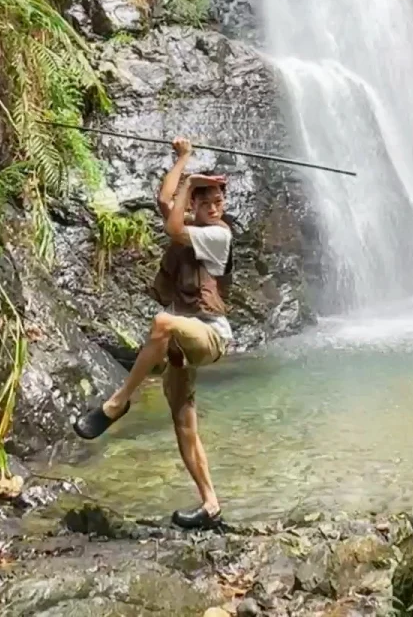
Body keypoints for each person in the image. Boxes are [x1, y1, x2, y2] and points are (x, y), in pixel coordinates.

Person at [74, 136, 232, 531]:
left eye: (218, 203)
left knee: (161, 322)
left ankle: (117, 404)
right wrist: (183, 161)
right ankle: (210, 504)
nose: (214, 209)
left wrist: (192, 181)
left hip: (210, 336)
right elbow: (167, 201)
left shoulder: (218, 236)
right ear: (195, 204)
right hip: (181, 344)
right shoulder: (193, 221)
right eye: (206, 202)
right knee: (183, 422)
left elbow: (172, 223)